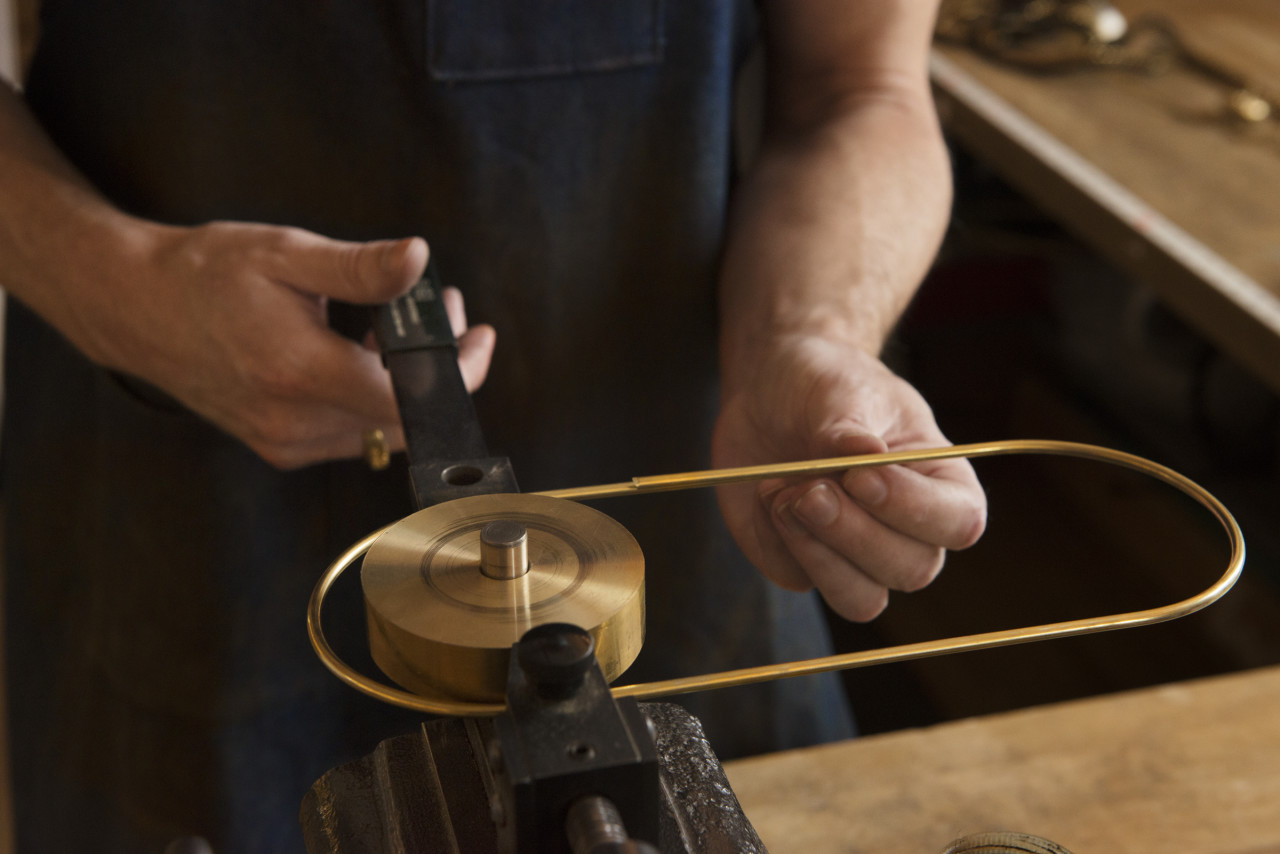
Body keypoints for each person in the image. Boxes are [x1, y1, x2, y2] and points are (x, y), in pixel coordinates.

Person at [0, 1, 987, 851]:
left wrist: (804, 332)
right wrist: (115, 283)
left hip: (685, 530)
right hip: (187, 527)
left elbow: (861, 89)